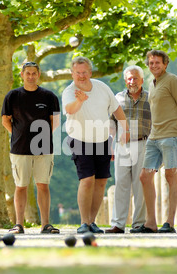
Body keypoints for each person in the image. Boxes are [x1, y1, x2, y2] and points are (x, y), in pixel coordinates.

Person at [62, 56, 130, 234]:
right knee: (87, 180)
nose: (81, 76)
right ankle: (84, 223)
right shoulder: (70, 91)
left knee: (101, 182)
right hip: (79, 139)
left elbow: (116, 108)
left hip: (102, 140)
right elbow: (70, 110)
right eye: (77, 73)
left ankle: (92, 222)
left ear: (90, 73)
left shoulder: (101, 87)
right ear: (72, 73)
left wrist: (126, 129)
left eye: (84, 72)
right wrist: (80, 101)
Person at [134, 50, 177, 234]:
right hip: (154, 136)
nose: (154, 65)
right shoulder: (153, 84)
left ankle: (169, 222)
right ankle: (151, 223)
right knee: (145, 176)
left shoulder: (173, 81)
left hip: (171, 135)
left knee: (170, 175)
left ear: (165, 64)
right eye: (151, 63)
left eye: (157, 63)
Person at [1, 61, 61, 234]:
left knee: (43, 185)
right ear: (22, 75)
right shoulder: (12, 96)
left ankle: (45, 225)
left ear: (38, 75)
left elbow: (54, 122)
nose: (31, 76)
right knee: (20, 185)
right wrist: (18, 133)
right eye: (27, 73)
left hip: (44, 148)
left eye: (34, 73)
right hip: (19, 148)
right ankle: (19, 224)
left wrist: (41, 136)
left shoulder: (49, 97)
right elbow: (5, 120)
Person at [105, 65, 151, 234]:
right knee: (121, 184)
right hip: (122, 145)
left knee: (140, 185)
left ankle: (139, 224)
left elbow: (156, 123)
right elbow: (111, 124)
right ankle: (118, 224)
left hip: (143, 144)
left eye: (135, 78)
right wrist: (110, 145)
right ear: (125, 80)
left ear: (142, 80)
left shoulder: (150, 98)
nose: (132, 81)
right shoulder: (117, 98)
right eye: (129, 78)